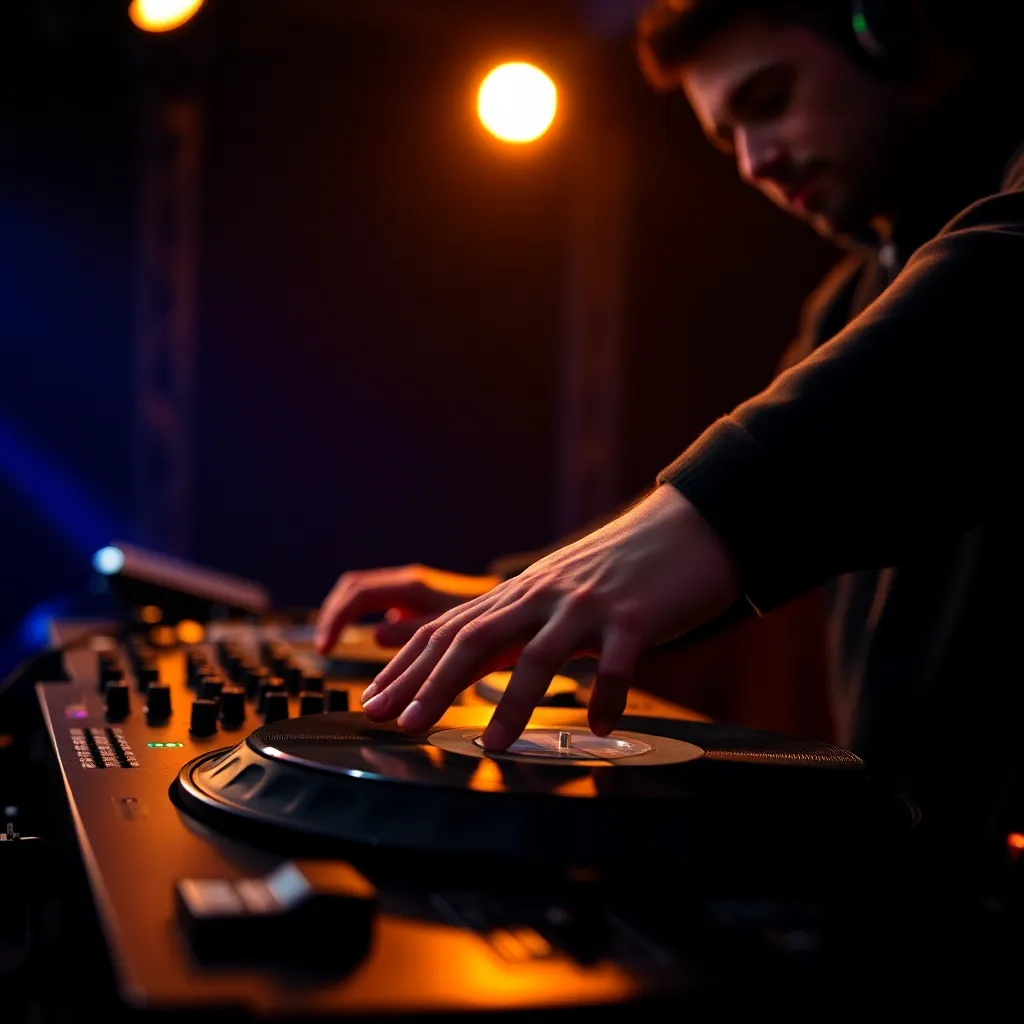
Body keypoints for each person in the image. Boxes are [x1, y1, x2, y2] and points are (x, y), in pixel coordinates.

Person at [315, 0, 1024, 852]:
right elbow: (727, 552)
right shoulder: (846, 303)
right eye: (728, 141)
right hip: (924, 863)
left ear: (891, 26)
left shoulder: (991, 255)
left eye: (768, 99)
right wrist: (510, 595)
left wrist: (715, 509)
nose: (757, 161)